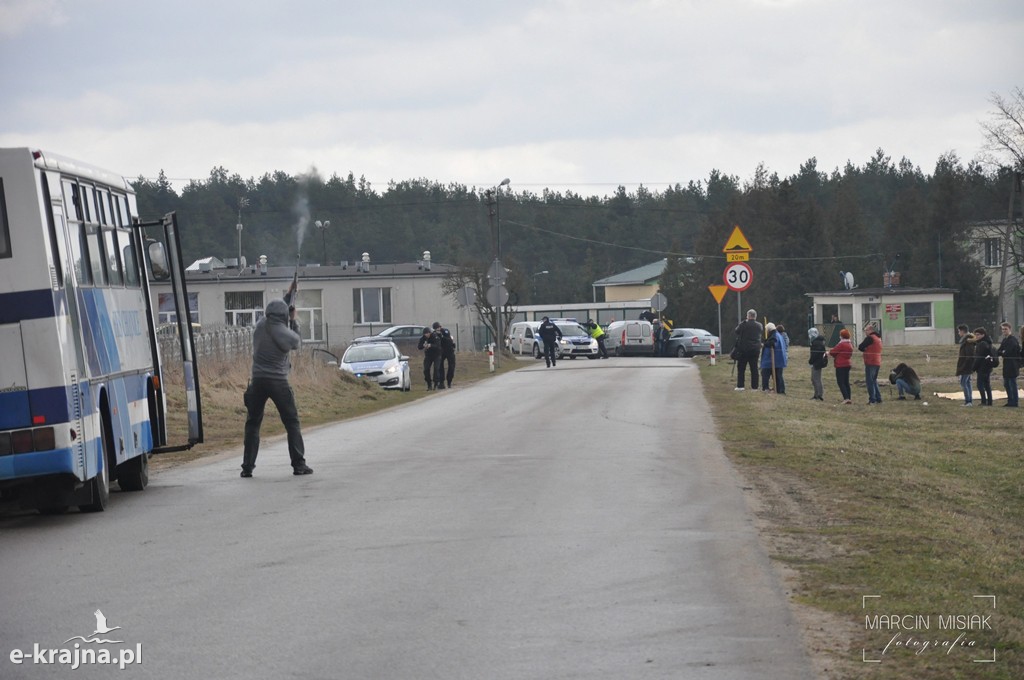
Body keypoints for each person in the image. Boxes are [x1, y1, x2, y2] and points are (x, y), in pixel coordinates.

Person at [240, 299, 312, 478]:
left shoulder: (260, 325)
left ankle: (247, 467)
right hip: (278, 381)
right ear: (284, 316)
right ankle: (299, 464)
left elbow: (278, 310)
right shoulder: (283, 332)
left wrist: (288, 298)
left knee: (253, 424)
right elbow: (296, 342)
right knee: (291, 423)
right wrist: (293, 320)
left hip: (257, 381)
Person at [733, 309, 763, 391]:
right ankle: (755, 387)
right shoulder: (759, 325)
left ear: (748, 316)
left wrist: (744, 322)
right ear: (755, 317)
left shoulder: (743, 325)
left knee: (741, 368)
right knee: (754, 368)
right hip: (755, 350)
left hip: (744, 350)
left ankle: (740, 386)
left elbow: (736, 331)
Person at [996, 321, 1020, 407]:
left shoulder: (1013, 340)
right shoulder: (1004, 340)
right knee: (1006, 384)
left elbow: (1008, 352)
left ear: (1010, 329)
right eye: (1002, 329)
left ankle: (1015, 402)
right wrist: (1002, 352)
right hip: (1006, 365)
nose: (1004, 331)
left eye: (1005, 329)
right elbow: (999, 351)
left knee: (1012, 384)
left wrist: (1003, 352)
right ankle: (1010, 401)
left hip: (1013, 365)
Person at [858, 322, 883, 404]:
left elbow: (860, 346)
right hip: (877, 361)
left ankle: (872, 399)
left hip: (870, 361)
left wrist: (865, 350)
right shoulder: (878, 338)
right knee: (874, 380)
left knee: (870, 381)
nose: (865, 332)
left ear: (870, 330)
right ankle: (878, 398)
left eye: (866, 330)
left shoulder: (870, 338)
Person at [760, 322, 787, 394]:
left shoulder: (774, 335)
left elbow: (772, 343)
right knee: (779, 376)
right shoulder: (779, 335)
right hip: (779, 359)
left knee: (765, 374)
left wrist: (764, 344)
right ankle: (780, 390)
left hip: (771, 360)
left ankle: (766, 388)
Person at [829, 328, 854, 404]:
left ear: (842, 336)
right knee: (846, 382)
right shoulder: (850, 344)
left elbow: (833, 352)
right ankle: (849, 397)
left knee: (841, 382)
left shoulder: (842, 344)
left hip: (840, 365)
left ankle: (846, 398)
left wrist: (829, 352)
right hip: (847, 364)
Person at [973, 326, 995, 406]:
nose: (976, 336)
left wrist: (973, 368)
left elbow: (979, 358)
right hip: (988, 367)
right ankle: (989, 401)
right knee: (987, 385)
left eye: (978, 334)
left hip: (983, 367)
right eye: (975, 335)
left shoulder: (982, 344)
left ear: (983, 335)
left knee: (980, 385)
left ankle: (983, 401)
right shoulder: (988, 342)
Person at [955, 324, 976, 406]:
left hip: (966, 366)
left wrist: (965, 365)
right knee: (967, 382)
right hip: (967, 365)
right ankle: (969, 401)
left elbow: (969, 355)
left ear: (962, 331)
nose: (958, 333)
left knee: (963, 383)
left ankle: (968, 401)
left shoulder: (968, 342)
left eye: (959, 331)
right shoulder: (967, 340)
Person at [434, 322, 457, 388]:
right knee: (440, 367)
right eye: (436, 329)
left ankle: (449, 381)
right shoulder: (434, 334)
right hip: (441, 351)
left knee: (451, 366)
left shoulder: (445, 331)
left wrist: (441, 336)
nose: (438, 329)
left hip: (449, 350)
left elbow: (448, 340)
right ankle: (441, 382)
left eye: (439, 328)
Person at [418, 326, 441, 390]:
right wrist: (423, 345)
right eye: (425, 334)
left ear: (430, 333)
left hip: (437, 355)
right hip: (428, 355)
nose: (427, 335)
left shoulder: (435, 337)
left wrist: (430, 345)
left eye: (428, 333)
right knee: (426, 369)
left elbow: (438, 345)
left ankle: (436, 383)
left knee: (436, 368)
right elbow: (419, 347)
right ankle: (429, 384)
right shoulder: (423, 338)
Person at [807, 327, 827, 400]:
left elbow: (815, 354)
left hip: (817, 363)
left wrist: (810, 361)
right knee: (814, 378)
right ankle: (816, 394)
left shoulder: (816, 343)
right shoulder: (818, 342)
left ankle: (819, 395)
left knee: (816, 379)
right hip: (817, 362)